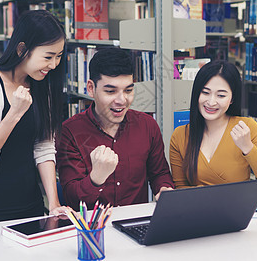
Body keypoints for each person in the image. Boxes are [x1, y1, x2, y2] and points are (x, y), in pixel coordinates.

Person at [0, 10, 69, 226]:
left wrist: (54, 204)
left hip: (31, 206)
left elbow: (44, 147)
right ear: (22, 49)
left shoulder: (40, 84)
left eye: (58, 56)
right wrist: (14, 113)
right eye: (48, 57)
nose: (54, 65)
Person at [56, 48, 174, 210]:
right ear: (91, 88)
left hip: (134, 223)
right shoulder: (70, 131)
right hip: (92, 229)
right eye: (110, 91)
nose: (122, 100)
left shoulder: (147, 125)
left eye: (128, 90)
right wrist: (96, 177)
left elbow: (159, 173)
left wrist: (163, 189)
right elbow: (72, 199)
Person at [169, 60, 257, 192]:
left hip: (238, 210)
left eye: (221, 95)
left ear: (232, 99)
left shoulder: (247, 128)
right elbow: (181, 190)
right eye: (205, 92)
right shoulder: (180, 135)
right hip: (197, 210)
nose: (211, 102)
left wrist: (248, 148)